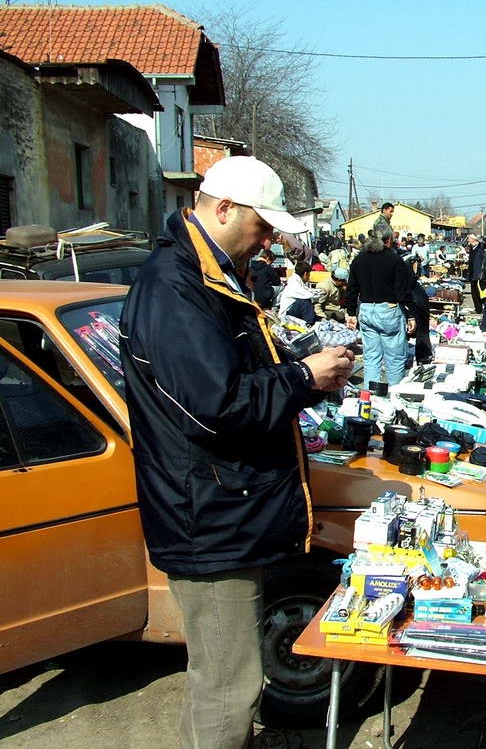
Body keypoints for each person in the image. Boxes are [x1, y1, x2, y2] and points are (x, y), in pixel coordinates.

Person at [119, 155, 354, 748]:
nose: (269, 237)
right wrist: (305, 377)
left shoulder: (205, 276)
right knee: (229, 686)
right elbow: (216, 404)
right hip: (209, 517)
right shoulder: (175, 286)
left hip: (220, 509)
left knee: (220, 681)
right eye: (263, 223)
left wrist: (300, 371)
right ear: (222, 208)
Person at [345, 230, 417, 387]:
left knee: (371, 357)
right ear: (389, 240)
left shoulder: (359, 259)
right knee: (395, 358)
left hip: (365, 310)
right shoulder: (394, 260)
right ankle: (394, 396)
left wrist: (350, 312)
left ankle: (371, 398)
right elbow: (403, 291)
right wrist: (411, 314)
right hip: (388, 310)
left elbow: (351, 289)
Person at [278, 260, 320, 325]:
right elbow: (308, 295)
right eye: (309, 274)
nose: (309, 277)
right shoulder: (294, 283)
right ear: (306, 274)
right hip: (286, 315)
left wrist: (319, 291)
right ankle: (310, 323)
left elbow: (308, 290)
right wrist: (321, 295)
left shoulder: (296, 280)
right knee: (305, 301)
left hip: (292, 310)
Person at [465, 233, 485, 314]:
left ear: (473, 239)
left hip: (479, 273)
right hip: (472, 273)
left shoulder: (481, 248)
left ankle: (483, 306)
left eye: (468, 239)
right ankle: (477, 308)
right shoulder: (471, 248)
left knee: (480, 291)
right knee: (474, 292)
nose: (468, 240)